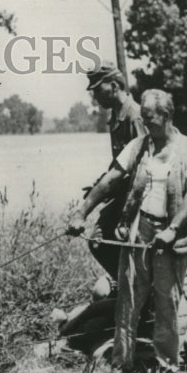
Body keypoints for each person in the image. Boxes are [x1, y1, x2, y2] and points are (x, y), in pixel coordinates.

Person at [67, 89, 187, 372]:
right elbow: (110, 180)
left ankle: (167, 366)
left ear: (167, 116)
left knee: (167, 301)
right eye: (143, 119)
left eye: (151, 119)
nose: (146, 125)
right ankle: (122, 363)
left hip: (172, 236)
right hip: (138, 231)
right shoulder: (139, 146)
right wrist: (81, 212)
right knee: (128, 301)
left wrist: (172, 230)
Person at [83, 61, 147, 279]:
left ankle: (135, 291)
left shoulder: (135, 116)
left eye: (98, 89)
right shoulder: (116, 118)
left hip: (140, 197)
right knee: (98, 242)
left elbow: (143, 166)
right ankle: (127, 287)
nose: (95, 96)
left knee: (105, 241)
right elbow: (119, 164)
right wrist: (98, 186)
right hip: (124, 196)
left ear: (114, 85)